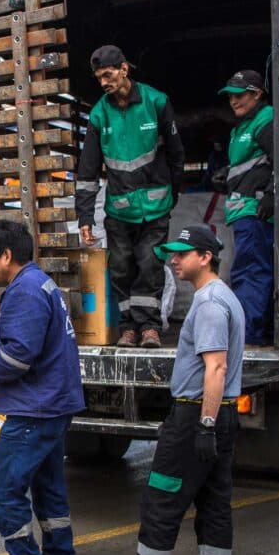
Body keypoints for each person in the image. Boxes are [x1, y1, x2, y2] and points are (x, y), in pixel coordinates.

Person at [99, 225, 244, 555]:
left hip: (198, 414)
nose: (174, 260)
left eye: (182, 253)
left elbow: (215, 368)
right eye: (173, 253)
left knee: (161, 499)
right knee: (214, 504)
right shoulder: (222, 297)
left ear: (206, 257)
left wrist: (204, 426)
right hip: (221, 414)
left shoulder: (211, 304)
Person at [0, 220, 86, 555]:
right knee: (48, 488)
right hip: (52, 405)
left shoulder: (24, 291)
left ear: (7, 255)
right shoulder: (42, 284)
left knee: (3, 489)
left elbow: (18, 357)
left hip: (36, 410)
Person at [76, 44, 186, 348]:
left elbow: (177, 155)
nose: (103, 83)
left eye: (108, 75)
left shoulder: (157, 102)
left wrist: (173, 193)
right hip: (120, 210)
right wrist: (85, 216)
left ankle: (149, 328)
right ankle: (128, 328)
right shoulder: (99, 115)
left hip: (156, 206)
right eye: (99, 78)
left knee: (150, 265)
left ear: (124, 69)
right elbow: (87, 172)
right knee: (122, 268)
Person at [213, 69, 275, 345]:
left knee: (250, 273)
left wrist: (272, 194)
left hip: (255, 212)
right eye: (230, 97)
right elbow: (252, 164)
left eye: (239, 95)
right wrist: (227, 175)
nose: (233, 102)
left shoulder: (266, 119)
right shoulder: (243, 127)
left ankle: (249, 335)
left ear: (257, 93)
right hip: (242, 212)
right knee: (249, 271)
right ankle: (255, 332)